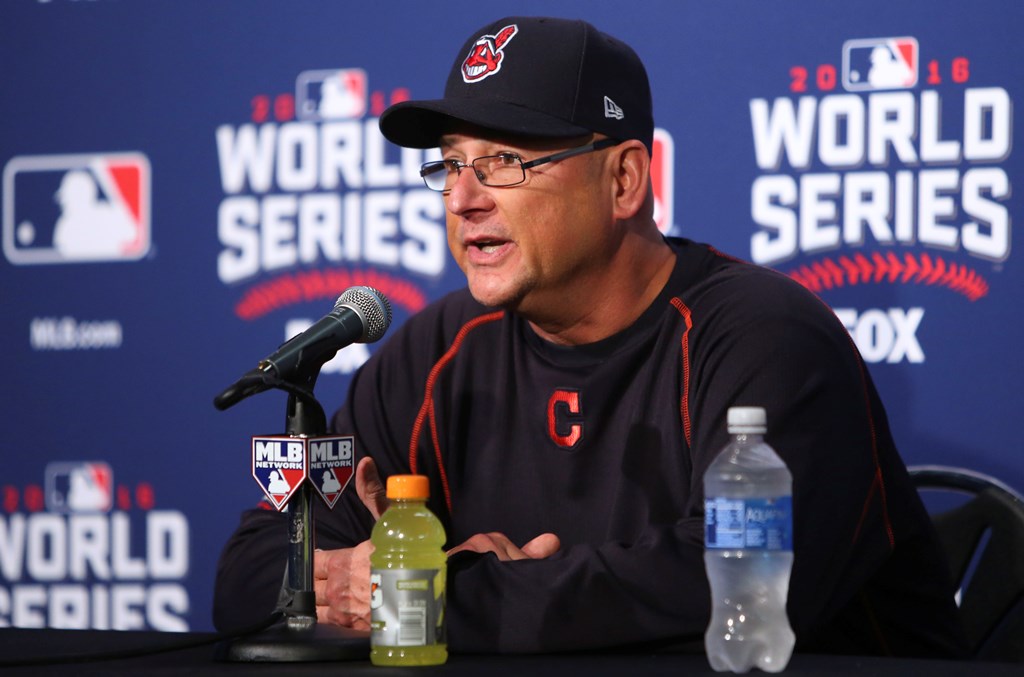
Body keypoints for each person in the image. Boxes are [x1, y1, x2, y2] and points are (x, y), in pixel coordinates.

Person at [214, 16, 967, 656]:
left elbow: (736, 585)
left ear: (623, 181)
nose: (465, 199)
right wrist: (351, 581)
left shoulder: (766, 340)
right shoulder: (434, 353)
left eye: (505, 161)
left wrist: (435, 595)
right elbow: (250, 571)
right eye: (451, 166)